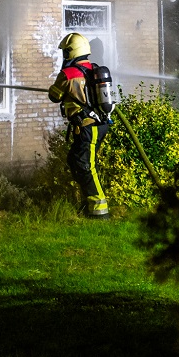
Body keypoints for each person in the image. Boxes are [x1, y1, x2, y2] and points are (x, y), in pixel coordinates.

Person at [47, 32, 110, 219]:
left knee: (85, 165)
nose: (64, 56)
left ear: (70, 52)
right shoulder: (94, 69)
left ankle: (100, 210)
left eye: (65, 53)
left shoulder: (68, 74)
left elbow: (54, 96)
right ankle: (87, 201)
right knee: (76, 161)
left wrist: (61, 89)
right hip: (98, 125)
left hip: (88, 127)